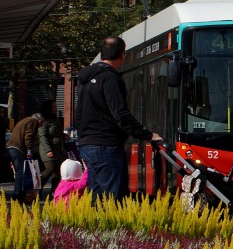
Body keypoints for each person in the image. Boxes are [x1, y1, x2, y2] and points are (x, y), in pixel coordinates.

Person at [76, 36, 163, 199]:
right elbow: (120, 114)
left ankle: (96, 225)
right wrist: (148, 135)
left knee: (96, 197)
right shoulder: (110, 78)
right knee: (111, 198)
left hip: (87, 144)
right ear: (122, 55)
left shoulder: (84, 80)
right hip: (106, 145)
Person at [7, 110, 44, 202]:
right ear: (39, 120)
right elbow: (28, 136)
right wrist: (29, 150)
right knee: (21, 173)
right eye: (41, 123)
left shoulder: (24, 120)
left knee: (19, 172)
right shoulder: (33, 122)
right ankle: (17, 195)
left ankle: (19, 194)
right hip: (18, 148)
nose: (40, 126)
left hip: (12, 147)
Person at [36, 99, 66, 194]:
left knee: (57, 172)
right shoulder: (44, 120)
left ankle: (55, 192)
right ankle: (36, 189)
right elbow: (42, 136)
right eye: (53, 107)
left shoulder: (55, 119)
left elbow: (57, 133)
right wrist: (48, 150)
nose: (55, 108)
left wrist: (64, 136)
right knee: (50, 168)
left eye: (56, 106)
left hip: (57, 149)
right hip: (47, 149)